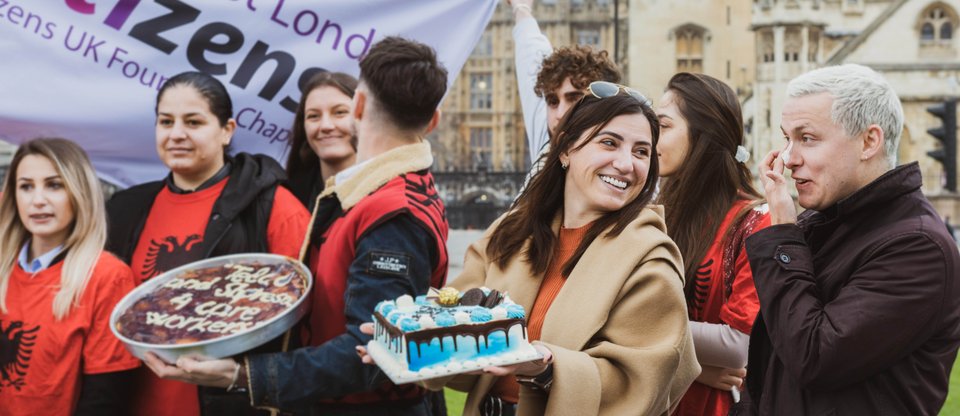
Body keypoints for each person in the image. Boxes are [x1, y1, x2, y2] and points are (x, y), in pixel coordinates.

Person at [143, 37, 451, 416]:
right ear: (434, 120)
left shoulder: (391, 210)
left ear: (358, 105)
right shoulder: (391, 194)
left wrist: (243, 376)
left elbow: (373, 350)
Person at [366, 83, 700, 416]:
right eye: (609, 143)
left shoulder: (650, 257)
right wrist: (412, 342)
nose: (626, 164)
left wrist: (547, 368)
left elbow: (646, 381)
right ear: (566, 148)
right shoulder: (512, 232)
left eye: (641, 151)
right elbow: (462, 334)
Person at [746, 63, 960, 415]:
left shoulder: (919, 248)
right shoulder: (824, 223)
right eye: (787, 138)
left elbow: (813, 356)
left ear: (868, 141)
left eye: (807, 138)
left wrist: (783, 237)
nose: (788, 158)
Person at [105, 71, 311, 416]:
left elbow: (307, 328)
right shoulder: (126, 210)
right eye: (165, 121)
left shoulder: (274, 207)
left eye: (193, 122)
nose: (176, 134)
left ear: (227, 131)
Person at [654, 73, 770, 415]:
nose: (651, 137)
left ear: (703, 134)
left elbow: (737, 345)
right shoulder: (654, 213)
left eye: (663, 125)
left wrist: (638, 326)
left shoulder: (754, 222)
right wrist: (693, 366)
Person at [0, 138, 140, 415]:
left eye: (54, 185)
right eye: (26, 186)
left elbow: (106, 400)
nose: (38, 200)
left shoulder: (108, 277)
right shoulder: (4, 266)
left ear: (79, 193)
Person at [507, 0, 621, 184]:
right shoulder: (547, 146)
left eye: (574, 99)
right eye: (553, 101)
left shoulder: (619, 174)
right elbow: (531, 51)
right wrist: (521, 8)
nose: (560, 114)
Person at [284, 71, 359, 211]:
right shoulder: (285, 197)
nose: (326, 126)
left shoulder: (390, 192)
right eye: (314, 116)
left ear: (363, 117)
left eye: (340, 112)